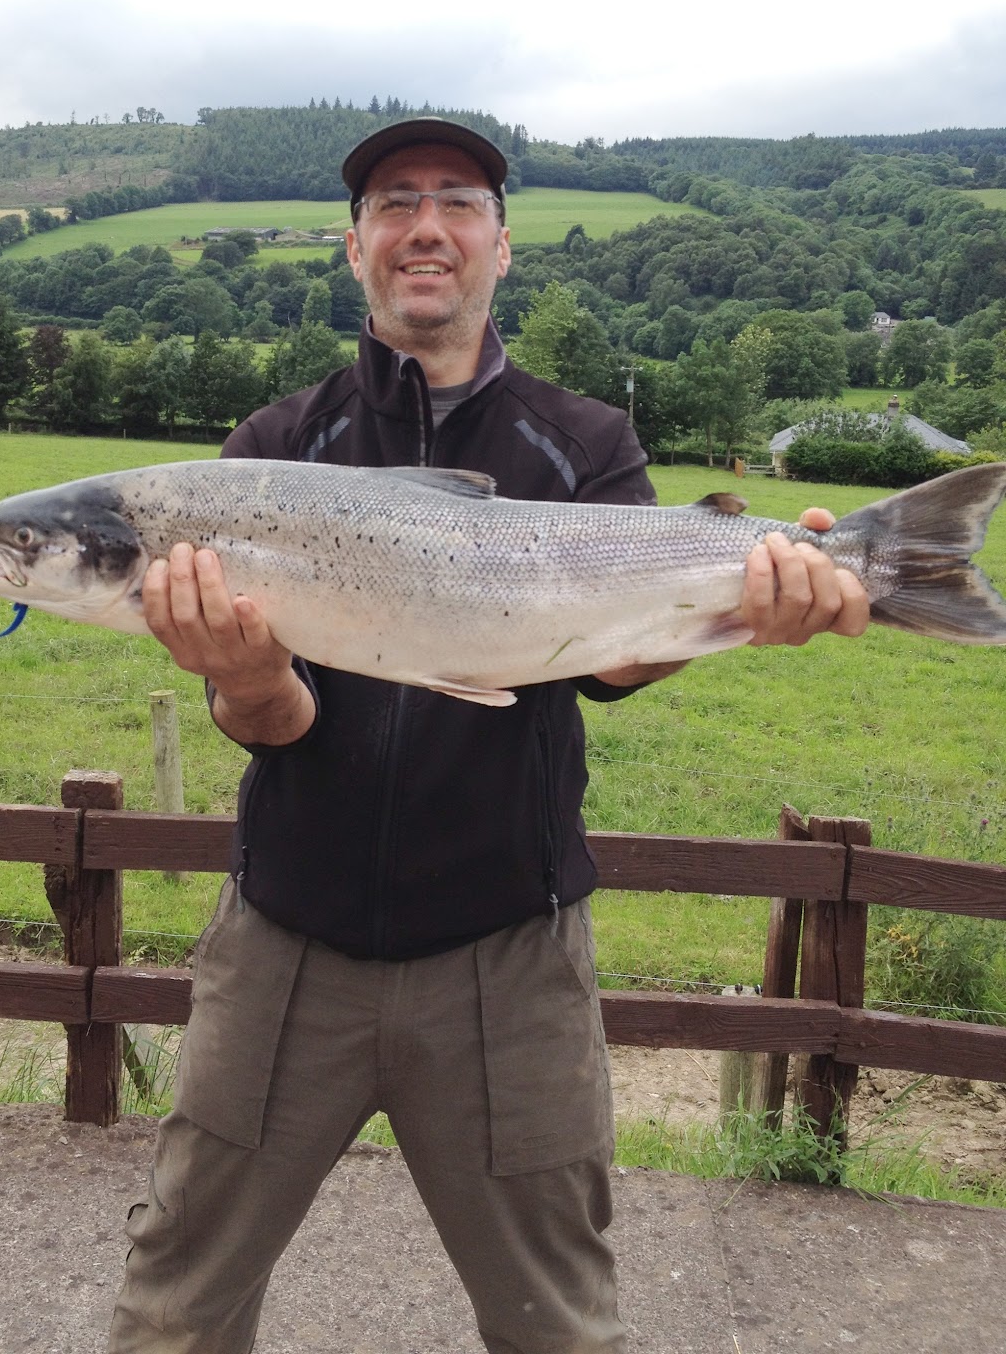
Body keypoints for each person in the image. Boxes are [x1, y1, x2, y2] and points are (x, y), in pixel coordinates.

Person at [109, 118, 870, 1353]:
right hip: (283, 948)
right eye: (394, 203)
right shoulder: (269, 453)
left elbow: (612, 659)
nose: (426, 227)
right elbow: (272, 720)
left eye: (458, 200)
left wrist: (741, 610)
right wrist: (244, 673)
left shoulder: (587, 443)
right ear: (354, 246)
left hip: (511, 960)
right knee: (173, 1314)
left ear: (501, 246)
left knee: (559, 1327)